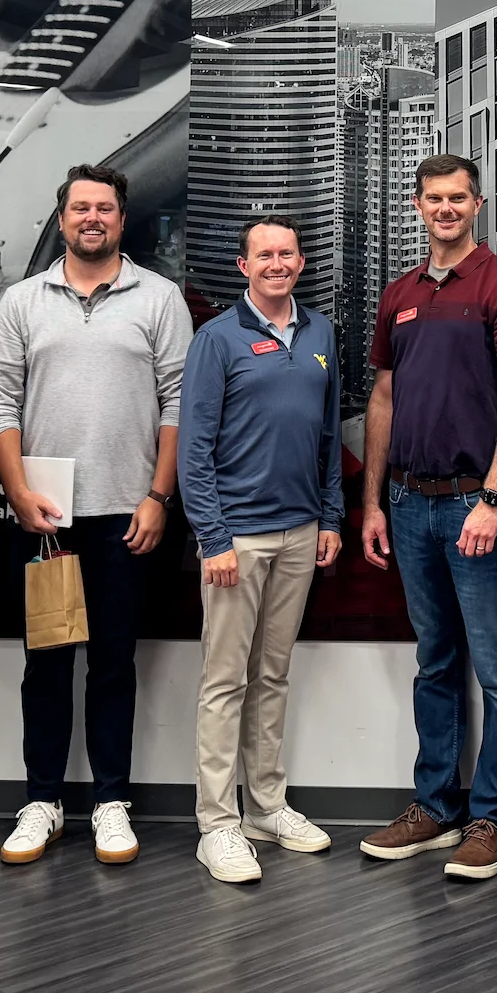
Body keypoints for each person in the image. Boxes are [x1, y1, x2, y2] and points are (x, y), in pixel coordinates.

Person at [0, 164, 190, 869]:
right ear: (63, 217)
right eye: (80, 207)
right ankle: (42, 799)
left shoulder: (160, 298)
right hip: (46, 517)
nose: (92, 218)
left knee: (113, 663)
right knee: (44, 662)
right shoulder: (22, 300)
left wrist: (159, 498)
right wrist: (17, 494)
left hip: (129, 518)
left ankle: (109, 800)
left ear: (121, 220)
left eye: (104, 207)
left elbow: (178, 404)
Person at [355, 154, 497, 882]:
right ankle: (434, 808)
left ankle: (493, 819)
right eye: (433, 198)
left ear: (477, 203)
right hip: (407, 502)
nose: (445, 208)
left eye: (457, 198)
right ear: (416, 203)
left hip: (475, 502)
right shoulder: (398, 294)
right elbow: (382, 400)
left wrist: (494, 500)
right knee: (435, 661)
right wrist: (371, 500)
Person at [179, 216, 344, 884]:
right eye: (263, 254)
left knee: (273, 676)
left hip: (301, 533)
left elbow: (330, 435)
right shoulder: (216, 339)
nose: (276, 263)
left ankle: (266, 805)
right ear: (243, 265)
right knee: (226, 681)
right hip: (236, 539)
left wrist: (330, 517)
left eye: (286, 253)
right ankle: (217, 823)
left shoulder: (322, 333)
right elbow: (193, 450)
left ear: (301, 262)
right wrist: (213, 537)